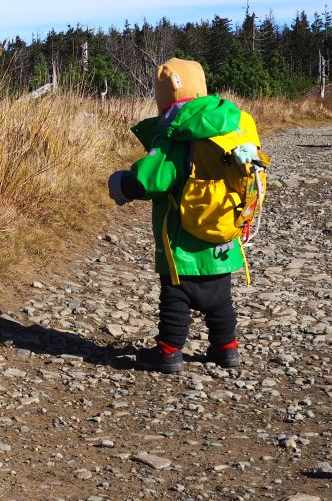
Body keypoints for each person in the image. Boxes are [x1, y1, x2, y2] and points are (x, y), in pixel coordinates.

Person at [108, 58, 260, 373]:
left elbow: (150, 180)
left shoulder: (176, 133)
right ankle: (226, 348)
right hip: (224, 235)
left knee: (175, 299)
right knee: (221, 300)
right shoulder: (233, 125)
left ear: (165, 98)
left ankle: (168, 352)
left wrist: (121, 183)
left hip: (181, 245)